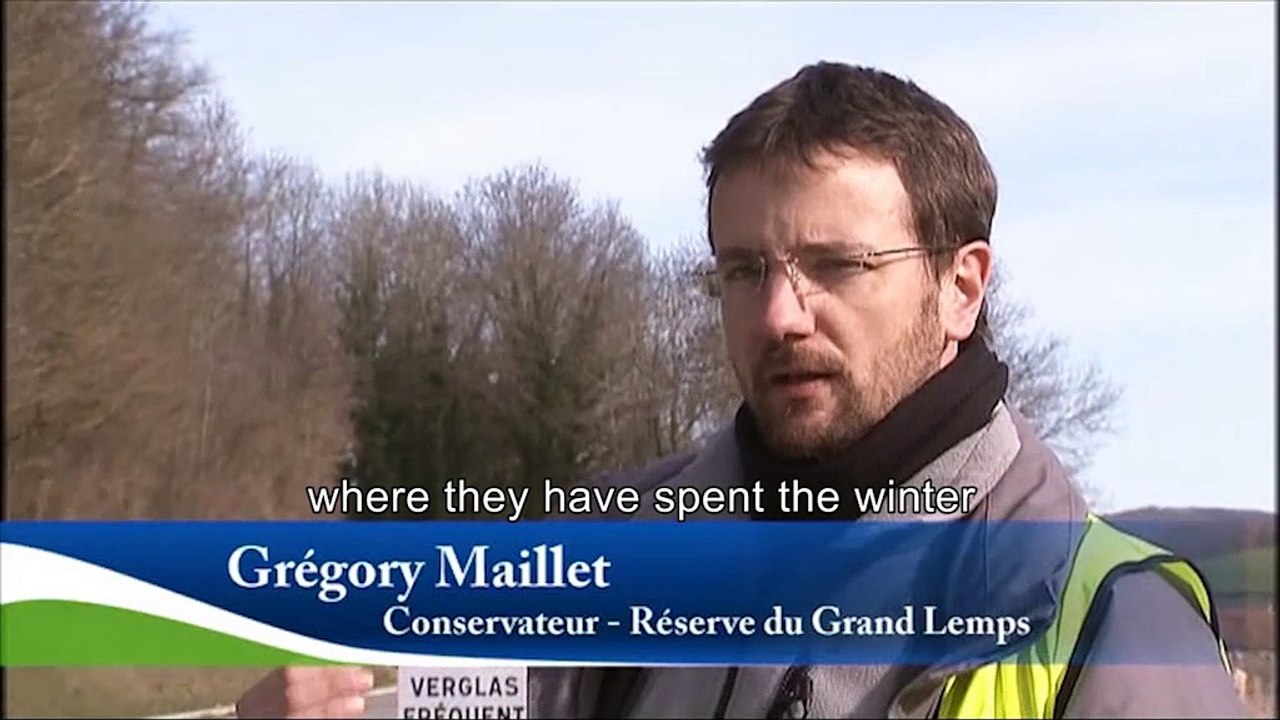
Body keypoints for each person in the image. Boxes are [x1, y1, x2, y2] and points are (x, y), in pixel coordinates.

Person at [235, 62, 1249, 718]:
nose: (777, 315)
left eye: (835, 266)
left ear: (959, 286)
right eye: (743, 271)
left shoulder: (1115, 629)